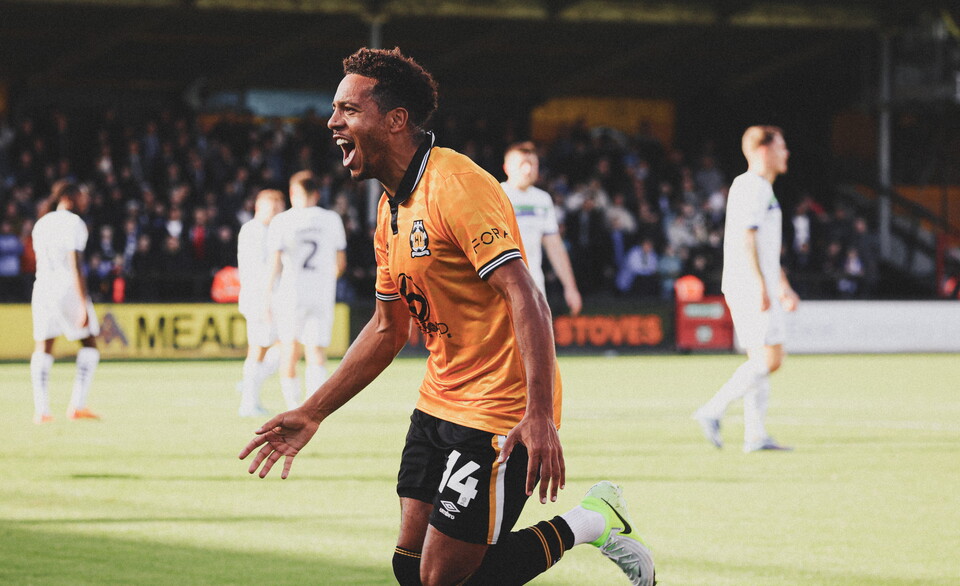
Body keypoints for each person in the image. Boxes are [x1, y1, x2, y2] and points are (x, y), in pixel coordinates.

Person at [239, 47, 654, 586]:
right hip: (440, 401)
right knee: (409, 570)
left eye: (348, 109)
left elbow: (527, 296)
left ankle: (592, 520)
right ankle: (594, 519)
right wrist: (314, 410)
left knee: (443, 581)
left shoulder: (457, 185)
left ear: (395, 121)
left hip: (500, 410)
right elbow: (389, 330)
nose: (332, 121)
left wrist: (538, 414)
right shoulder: (390, 209)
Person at [693, 126, 800, 453]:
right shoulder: (751, 186)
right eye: (781, 146)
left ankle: (755, 435)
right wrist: (759, 285)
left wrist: (781, 284)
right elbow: (747, 238)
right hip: (749, 283)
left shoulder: (760, 187)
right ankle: (712, 410)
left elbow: (766, 246)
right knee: (772, 357)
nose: (786, 153)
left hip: (754, 282)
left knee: (759, 357)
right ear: (763, 150)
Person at [264, 170, 347, 410]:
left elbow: (275, 264)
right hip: (321, 293)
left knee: (289, 349)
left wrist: (266, 296)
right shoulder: (331, 219)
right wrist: (324, 279)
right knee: (316, 350)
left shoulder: (282, 221)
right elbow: (340, 264)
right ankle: (313, 407)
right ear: (317, 194)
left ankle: (292, 406)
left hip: (291, 293)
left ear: (292, 193)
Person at [29, 180, 101, 424]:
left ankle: (42, 410)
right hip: (66, 289)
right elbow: (75, 265)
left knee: (44, 348)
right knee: (89, 343)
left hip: (42, 289)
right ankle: (77, 405)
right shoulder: (74, 223)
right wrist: (83, 303)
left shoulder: (41, 223)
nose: (85, 200)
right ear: (69, 196)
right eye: (82, 196)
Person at [501, 141, 582, 316]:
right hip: (501, 292)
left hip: (535, 288)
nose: (528, 170)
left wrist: (570, 287)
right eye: (522, 164)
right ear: (506, 167)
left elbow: (555, 246)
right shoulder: (497, 196)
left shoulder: (542, 199)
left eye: (532, 164)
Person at [236, 188, 285, 417]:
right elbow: (258, 271)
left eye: (278, 207)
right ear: (258, 207)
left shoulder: (270, 230)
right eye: (271, 207)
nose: (276, 211)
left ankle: (249, 385)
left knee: (281, 347)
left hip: (270, 297)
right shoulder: (253, 231)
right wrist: (265, 300)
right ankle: (248, 401)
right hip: (259, 298)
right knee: (259, 348)